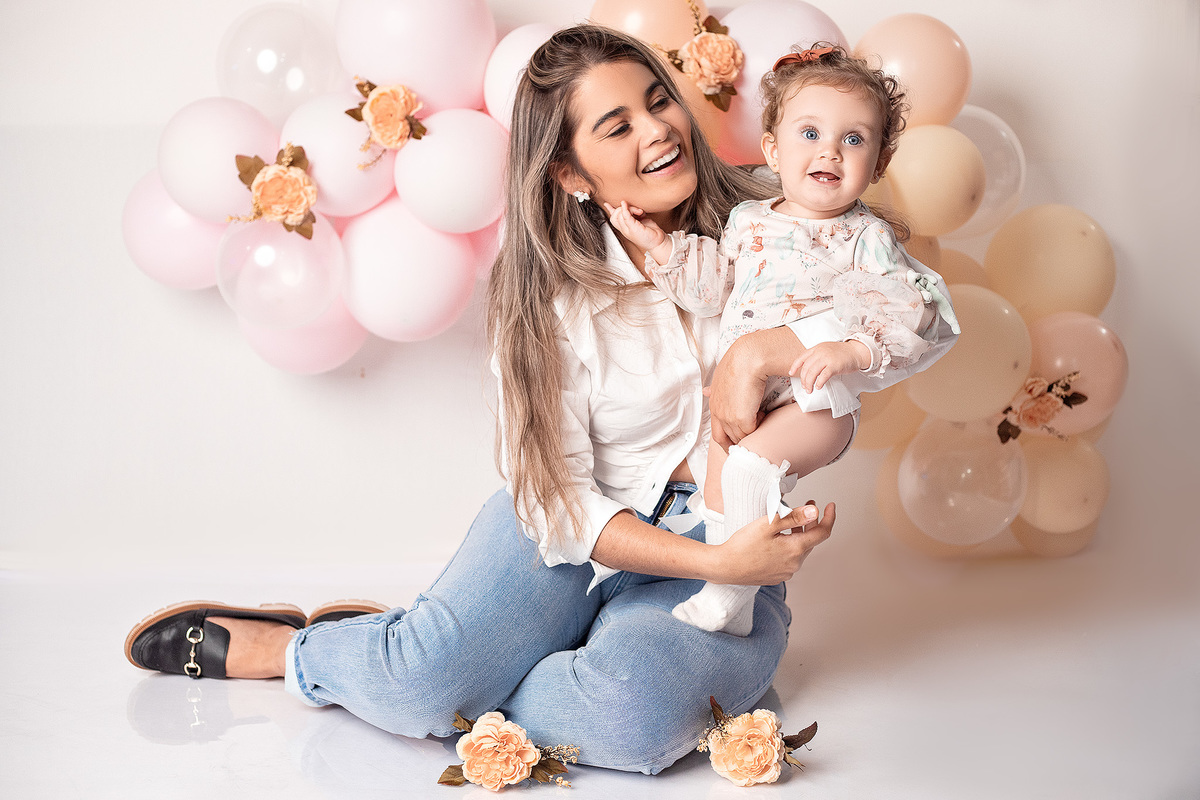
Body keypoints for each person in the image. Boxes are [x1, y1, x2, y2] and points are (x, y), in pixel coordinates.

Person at [124, 25, 837, 776]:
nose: (658, 129)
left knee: (629, 718)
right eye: (617, 125)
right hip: (568, 533)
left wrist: (757, 375)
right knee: (424, 686)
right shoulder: (546, 301)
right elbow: (563, 506)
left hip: (726, 542)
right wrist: (716, 558)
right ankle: (309, 651)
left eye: (660, 102)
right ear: (570, 172)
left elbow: (857, 379)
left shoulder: (779, 229)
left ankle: (432, 661)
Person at [606, 44, 960, 635]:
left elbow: (911, 308)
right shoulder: (749, 220)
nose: (829, 151)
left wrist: (853, 350)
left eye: (853, 139)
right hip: (746, 397)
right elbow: (715, 289)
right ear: (773, 149)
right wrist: (662, 248)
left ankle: (727, 596)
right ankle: (736, 605)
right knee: (720, 487)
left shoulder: (864, 237)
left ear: (878, 164)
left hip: (815, 402)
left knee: (748, 469)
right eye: (810, 133)